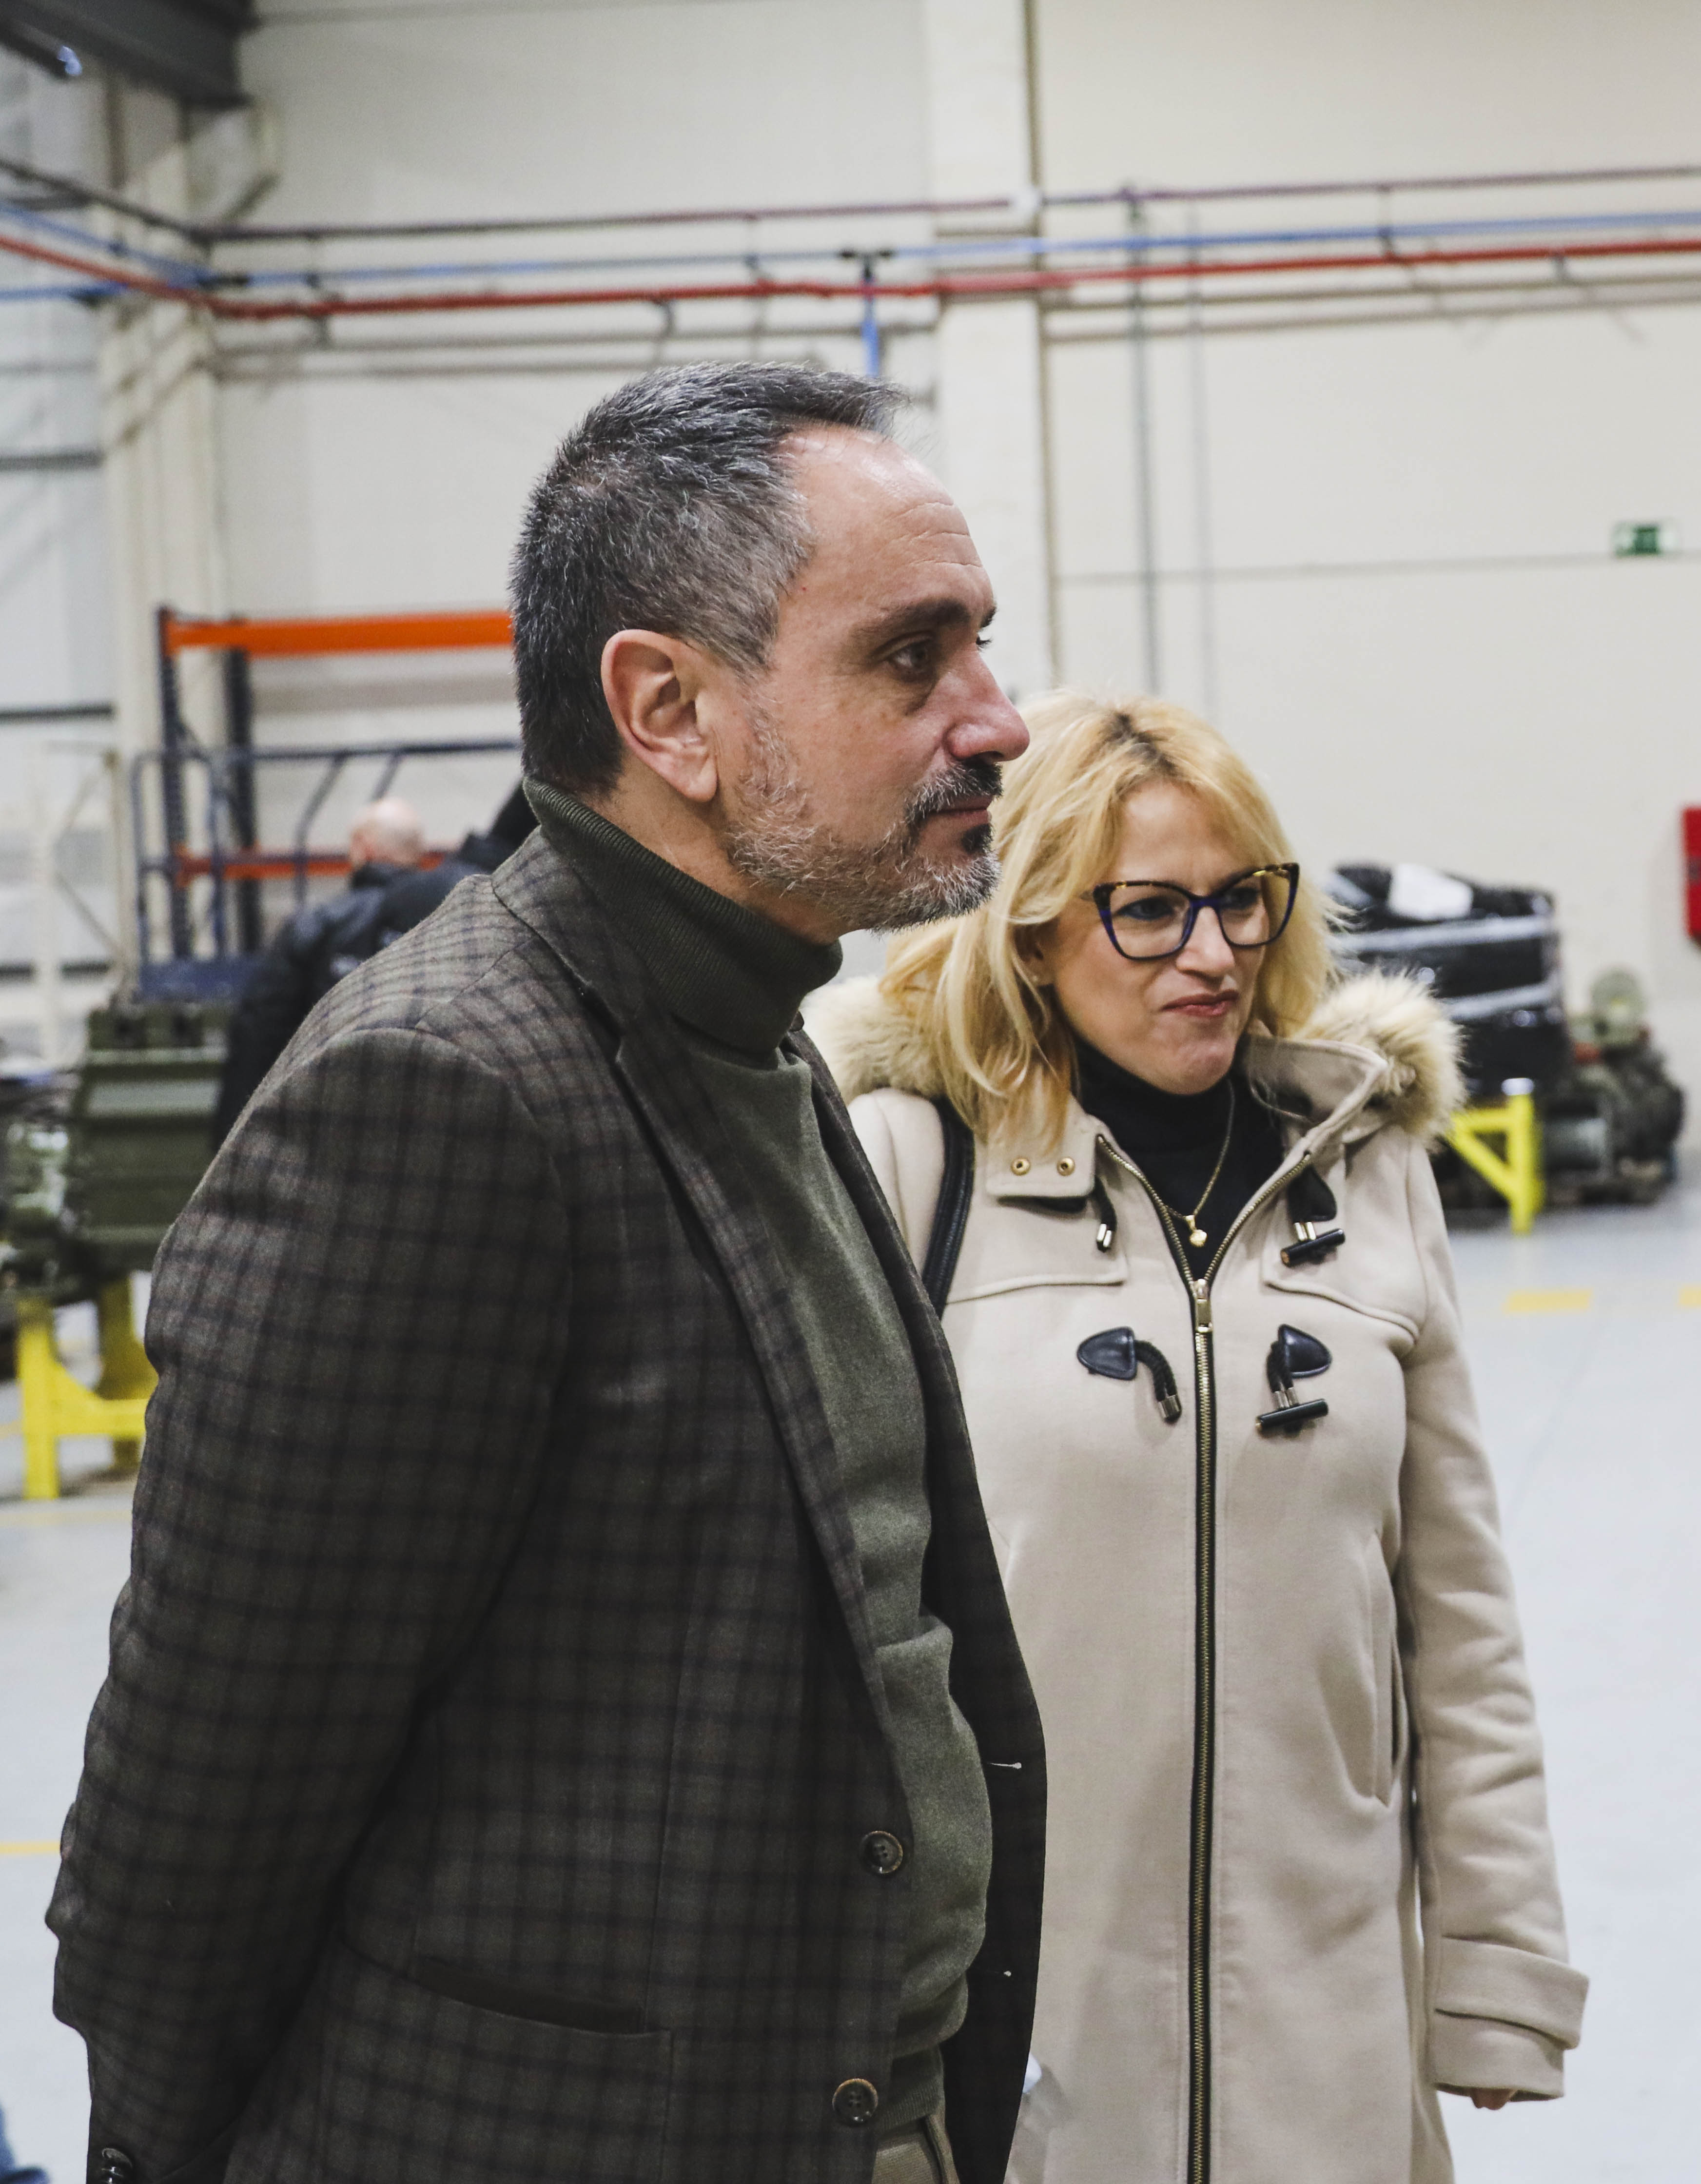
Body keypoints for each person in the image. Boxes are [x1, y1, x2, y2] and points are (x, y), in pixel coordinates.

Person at [53, 362, 1046, 2184]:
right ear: (669, 710)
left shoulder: (749, 1031)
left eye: (980, 646)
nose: (996, 720)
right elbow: (200, 1807)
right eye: (913, 658)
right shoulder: (446, 1093)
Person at [811, 693, 1584, 2184]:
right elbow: (831, 1620)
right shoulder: (911, 1164)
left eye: (1241, 900)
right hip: (1020, 2024)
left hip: (1329, 2017)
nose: (1214, 953)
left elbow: (1458, 1615)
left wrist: (1498, 1961)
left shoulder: (1367, 1169)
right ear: (1034, 927)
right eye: (1151, 911)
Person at [209, 795, 427, 1137]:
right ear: (417, 854)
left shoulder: (318, 925)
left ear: (363, 847)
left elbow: (262, 1028)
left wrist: (232, 1130)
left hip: (328, 1123)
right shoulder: (440, 925)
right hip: (420, 1119)